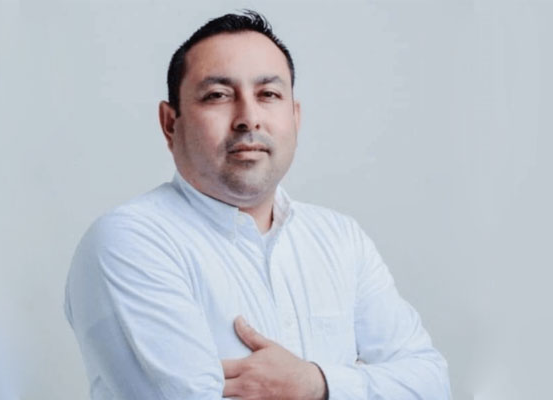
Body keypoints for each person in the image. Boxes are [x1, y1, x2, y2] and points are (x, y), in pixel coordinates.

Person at [64, 10, 452, 400]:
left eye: (268, 94)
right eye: (218, 95)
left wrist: (316, 383)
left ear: (294, 117)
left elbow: (431, 383)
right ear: (170, 123)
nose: (248, 118)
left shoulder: (339, 238)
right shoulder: (131, 242)